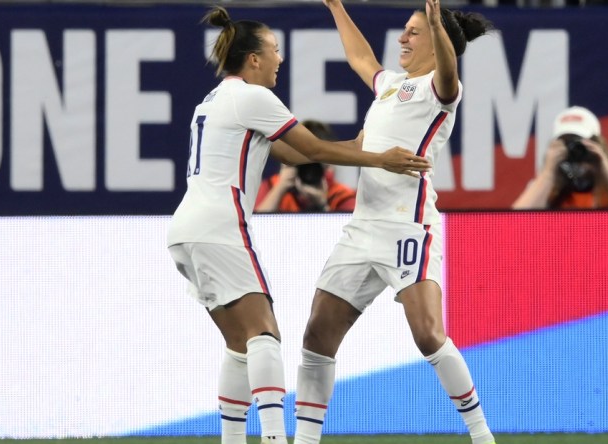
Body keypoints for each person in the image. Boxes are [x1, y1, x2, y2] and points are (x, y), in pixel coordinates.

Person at [166, 6, 430, 444]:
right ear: (253, 59)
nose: (279, 59)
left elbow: (291, 155)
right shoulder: (253, 97)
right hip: (220, 226)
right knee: (264, 334)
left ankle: (232, 440)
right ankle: (273, 437)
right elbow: (307, 145)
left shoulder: (214, 99)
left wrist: (355, 145)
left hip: (185, 230)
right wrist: (378, 158)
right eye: (274, 50)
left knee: (239, 343)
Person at [294, 1, 496, 444]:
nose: (402, 39)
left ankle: (482, 436)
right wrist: (335, 7)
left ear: (438, 41)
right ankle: (304, 440)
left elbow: (448, 67)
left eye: (413, 32)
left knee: (427, 333)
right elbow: (360, 57)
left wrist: (440, 25)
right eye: (405, 31)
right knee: (317, 333)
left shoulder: (441, 90)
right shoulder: (390, 85)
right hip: (362, 227)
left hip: (409, 226)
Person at [511, 106, 608, 209]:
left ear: (597, 143)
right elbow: (514, 221)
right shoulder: (549, 182)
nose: (572, 150)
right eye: (565, 142)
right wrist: (548, 173)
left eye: (579, 142)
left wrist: (607, 171)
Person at [255, 120, 357, 213]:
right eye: (302, 160)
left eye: (316, 162)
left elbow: (348, 231)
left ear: (329, 164)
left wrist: (322, 206)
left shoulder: (342, 196)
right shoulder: (273, 186)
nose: (309, 168)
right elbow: (256, 227)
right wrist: (280, 188)